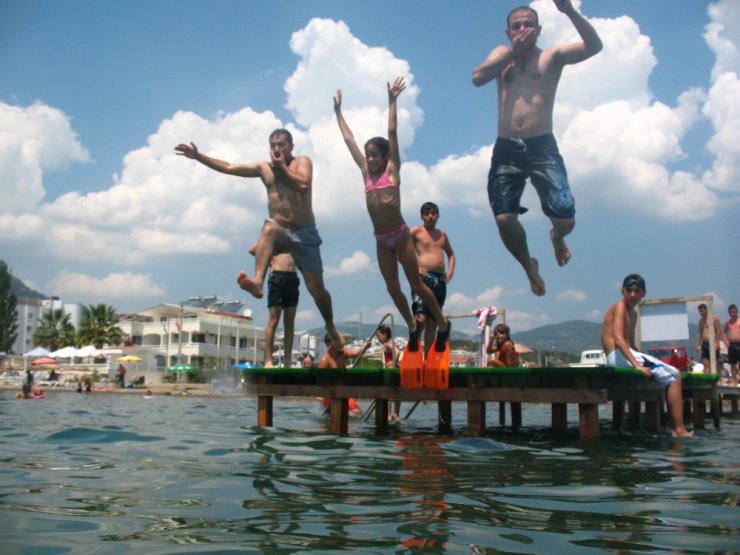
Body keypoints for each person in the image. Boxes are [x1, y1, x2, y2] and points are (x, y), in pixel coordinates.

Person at [471, 0, 602, 296]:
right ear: (507, 31)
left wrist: (569, 11)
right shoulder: (501, 55)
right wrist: (511, 53)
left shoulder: (551, 56)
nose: (522, 30)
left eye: (528, 24)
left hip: (542, 147)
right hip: (507, 147)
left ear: (539, 29)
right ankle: (528, 265)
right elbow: (477, 78)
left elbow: (594, 46)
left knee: (566, 220)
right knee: (504, 219)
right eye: (516, 26)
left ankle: (557, 237)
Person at [175, 129, 344, 348]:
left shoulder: (302, 161)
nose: (276, 149)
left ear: (291, 146)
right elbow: (228, 167)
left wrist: (283, 167)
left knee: (316, 289)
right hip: (280, 230)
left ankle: (330, 325)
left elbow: (303, 184)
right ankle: (257, 282)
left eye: (281, 144)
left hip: (304, 232)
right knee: (269, 228)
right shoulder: (264, 168)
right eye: (273, 145)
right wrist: (199, 157)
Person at [333, 77, 451, 354]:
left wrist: (392, 101)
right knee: (392, 288)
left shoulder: (391, 172)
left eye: (375, 155)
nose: (370, 159)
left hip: (399, 236)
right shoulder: (365, 173)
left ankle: (443, 323)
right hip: (380, 239)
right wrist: (338, 112)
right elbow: (349, 139)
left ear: (385, 157)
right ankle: (412, 325)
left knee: (416, 284)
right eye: (368, 156)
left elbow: (392, 132)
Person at [601, 274, 691, 437]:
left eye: (637, 291)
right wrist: (637, 365)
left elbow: (630, 344)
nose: (633, 294)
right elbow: (619, 339)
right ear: (623, 291)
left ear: (643, 293)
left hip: (622, 355)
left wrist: (642, 358)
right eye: (629, 290)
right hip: (616, 355)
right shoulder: (620, 306)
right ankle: (679, 430)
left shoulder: (633, 314)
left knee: (668, 372)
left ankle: (670, 426)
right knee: (675, 376)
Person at [411, 202, 456, 356]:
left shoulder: (442, 234)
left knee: (433, 323)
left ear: (438, 215)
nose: (430, 216)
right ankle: (414, 347)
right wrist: (414, 267)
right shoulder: (416, 231)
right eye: (426, 213)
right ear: (422, 216)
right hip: (424, 278)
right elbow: (399, 250)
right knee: (421, 318)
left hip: (440, 281)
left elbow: (451, 254)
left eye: (433, 213)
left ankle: (427, 358)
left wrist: (450, 272)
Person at [249, 238, 299, 367]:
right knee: (273, 320)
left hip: (292, 278)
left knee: (290, 323)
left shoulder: (296, 234)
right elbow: (253, 249)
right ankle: (268, 360)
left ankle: (287, 360)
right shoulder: (276, 234)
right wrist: (268, 259)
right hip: (277, 276)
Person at [318, 334, 366, 416]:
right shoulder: (325, 360)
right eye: (337, 341)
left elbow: (357, 353)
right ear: (329, 345)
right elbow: (321, 382)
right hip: (327, 395)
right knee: (337, 413)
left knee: (359, 412)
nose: (340, 343)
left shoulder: (343, 353)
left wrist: (365, 347)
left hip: (342, 391)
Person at [376, 324, 402, 421]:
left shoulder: (388, 344)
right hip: (396, 371)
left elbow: (397, 352)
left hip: (390, 370)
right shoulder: (391, 343)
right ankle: (397, 414)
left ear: (385, 335)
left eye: (378, 336)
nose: (377, 338)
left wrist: (393, 362)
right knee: (396, 393)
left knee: (389, 394)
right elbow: (397, 351)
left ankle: (389, 415)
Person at [694, 303, 721, 374]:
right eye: (699, 311)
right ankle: (707, 378)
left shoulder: (714, 318)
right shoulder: (701, 320)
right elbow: (699, 333)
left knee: (715, 362)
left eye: (702, 311)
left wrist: (717, 343)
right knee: (705, 362)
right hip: (705, 343)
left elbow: (718, 330)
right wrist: (697, 345)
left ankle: (717, 379)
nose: (701, 313)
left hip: (713, 341)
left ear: (706, 310)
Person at [722, 304, 739, 386]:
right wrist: (726, 342)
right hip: (731, 344)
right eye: (730, 312)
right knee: (732, 364)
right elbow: (724, 332)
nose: (732, 313)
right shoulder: (728, 322)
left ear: (737, 311)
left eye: (733, 311)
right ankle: (734, 381)